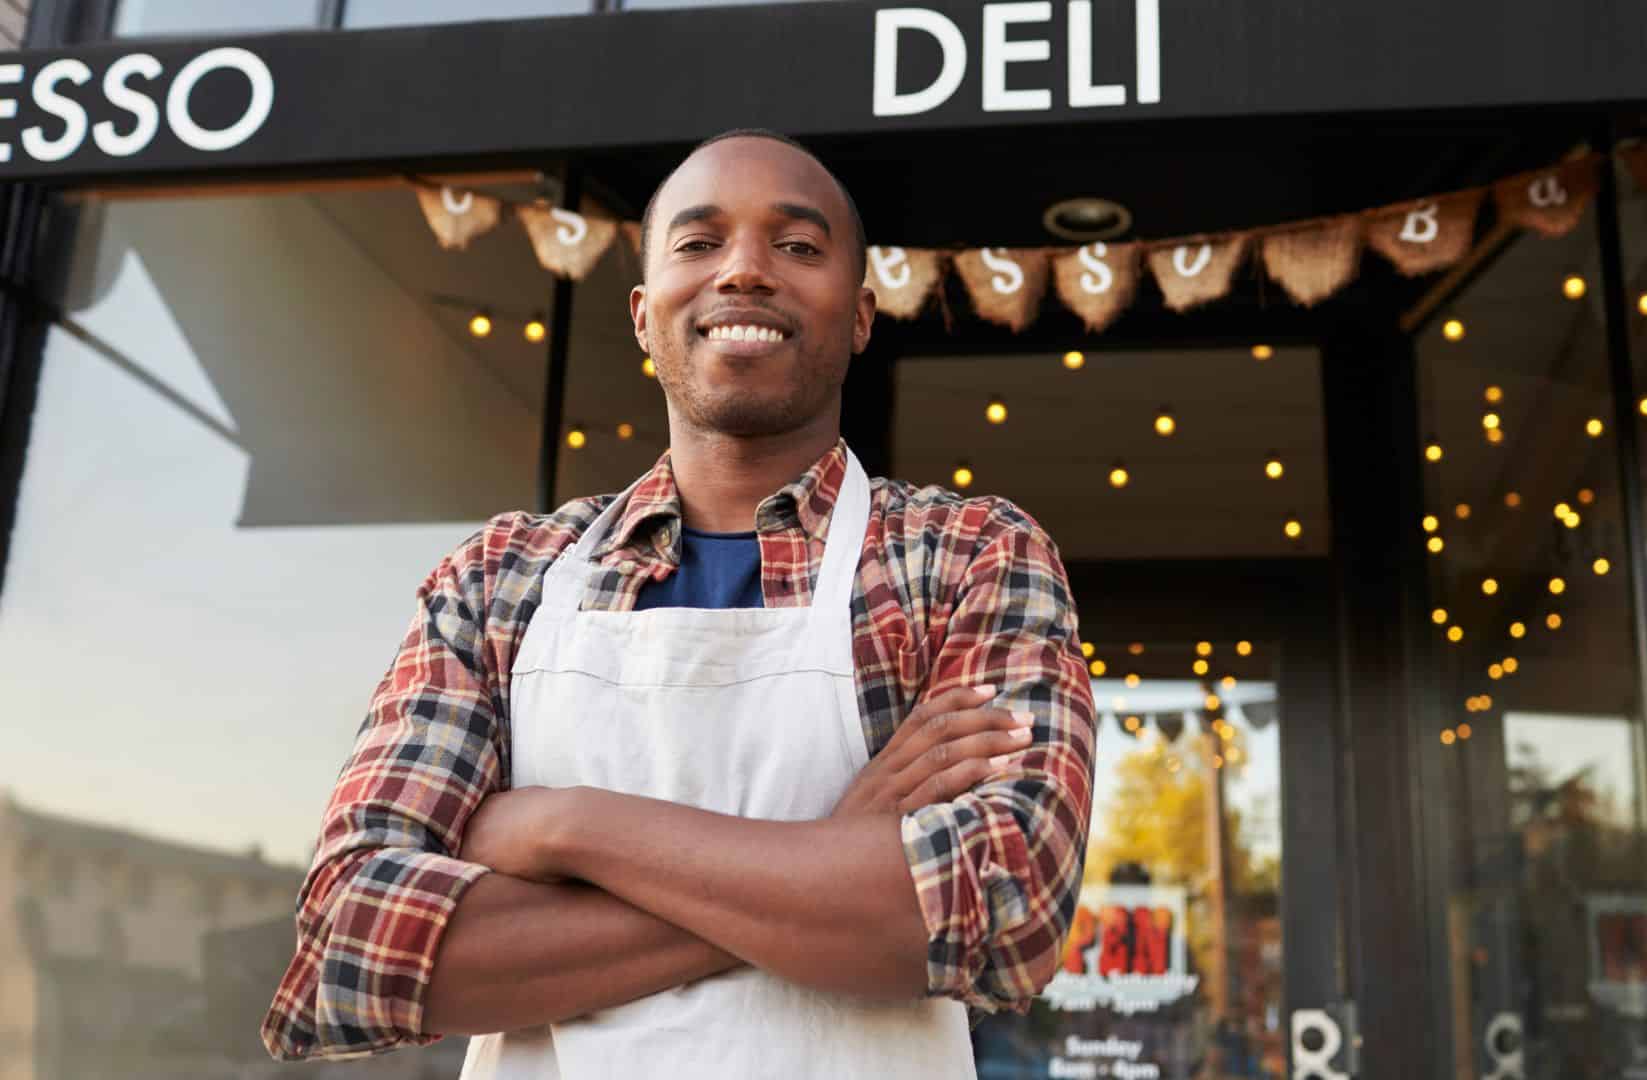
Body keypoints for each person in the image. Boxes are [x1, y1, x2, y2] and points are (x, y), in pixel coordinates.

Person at [258, 129, 1096, 1078]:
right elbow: (357, 945)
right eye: (698, 244)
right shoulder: (499, 578)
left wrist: (565, 827)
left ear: (861, 314)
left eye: (798, 246)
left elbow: (1004, 909)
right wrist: (831, 859)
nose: (743, 270)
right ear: (643, 311)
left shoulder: (966, 555)